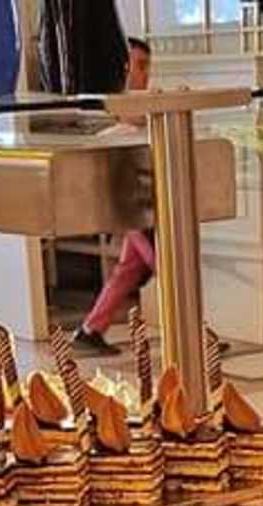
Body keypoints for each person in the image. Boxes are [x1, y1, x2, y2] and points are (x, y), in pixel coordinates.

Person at [70, 36, 152, 356]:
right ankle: (199, 334)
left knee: (128, 269)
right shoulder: (111, 120)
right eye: (137, 66)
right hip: (134, 215)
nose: (143, 74)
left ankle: (90, 329)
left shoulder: (142, 112)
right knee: (173, 270)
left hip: (142, 211)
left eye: (146, 66)